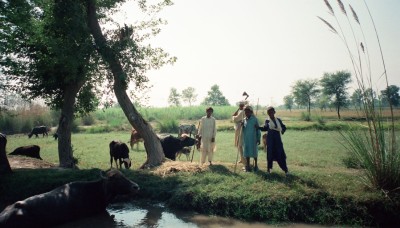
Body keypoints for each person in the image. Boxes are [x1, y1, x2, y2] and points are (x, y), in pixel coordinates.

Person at [259, 106, 289, 175]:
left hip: (278, 140)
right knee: (269, 155)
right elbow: (265, 128)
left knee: (280, 154)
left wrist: (282, 130)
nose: (270, 114)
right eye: (269, 113)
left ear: (274, 112)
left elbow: (283, 127)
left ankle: (286, 170)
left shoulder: (278, 120)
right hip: (270, 140)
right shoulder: (267, 121)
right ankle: (269, 170)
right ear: (267, 113)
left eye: (271, 112)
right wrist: (258, 127)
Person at [242, 105, 261, 172]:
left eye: (248, 112)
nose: (246, 113)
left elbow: (258, 129)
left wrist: (258, 138)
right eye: (245, 112)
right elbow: (243, 129)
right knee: (247, 152)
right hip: (246, 139)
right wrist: (242, 126)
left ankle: (256, 165)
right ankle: (248, 166)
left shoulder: (255, 119)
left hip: (253, 138)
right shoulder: (244, 120)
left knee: (254, 152)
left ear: (251, 112)